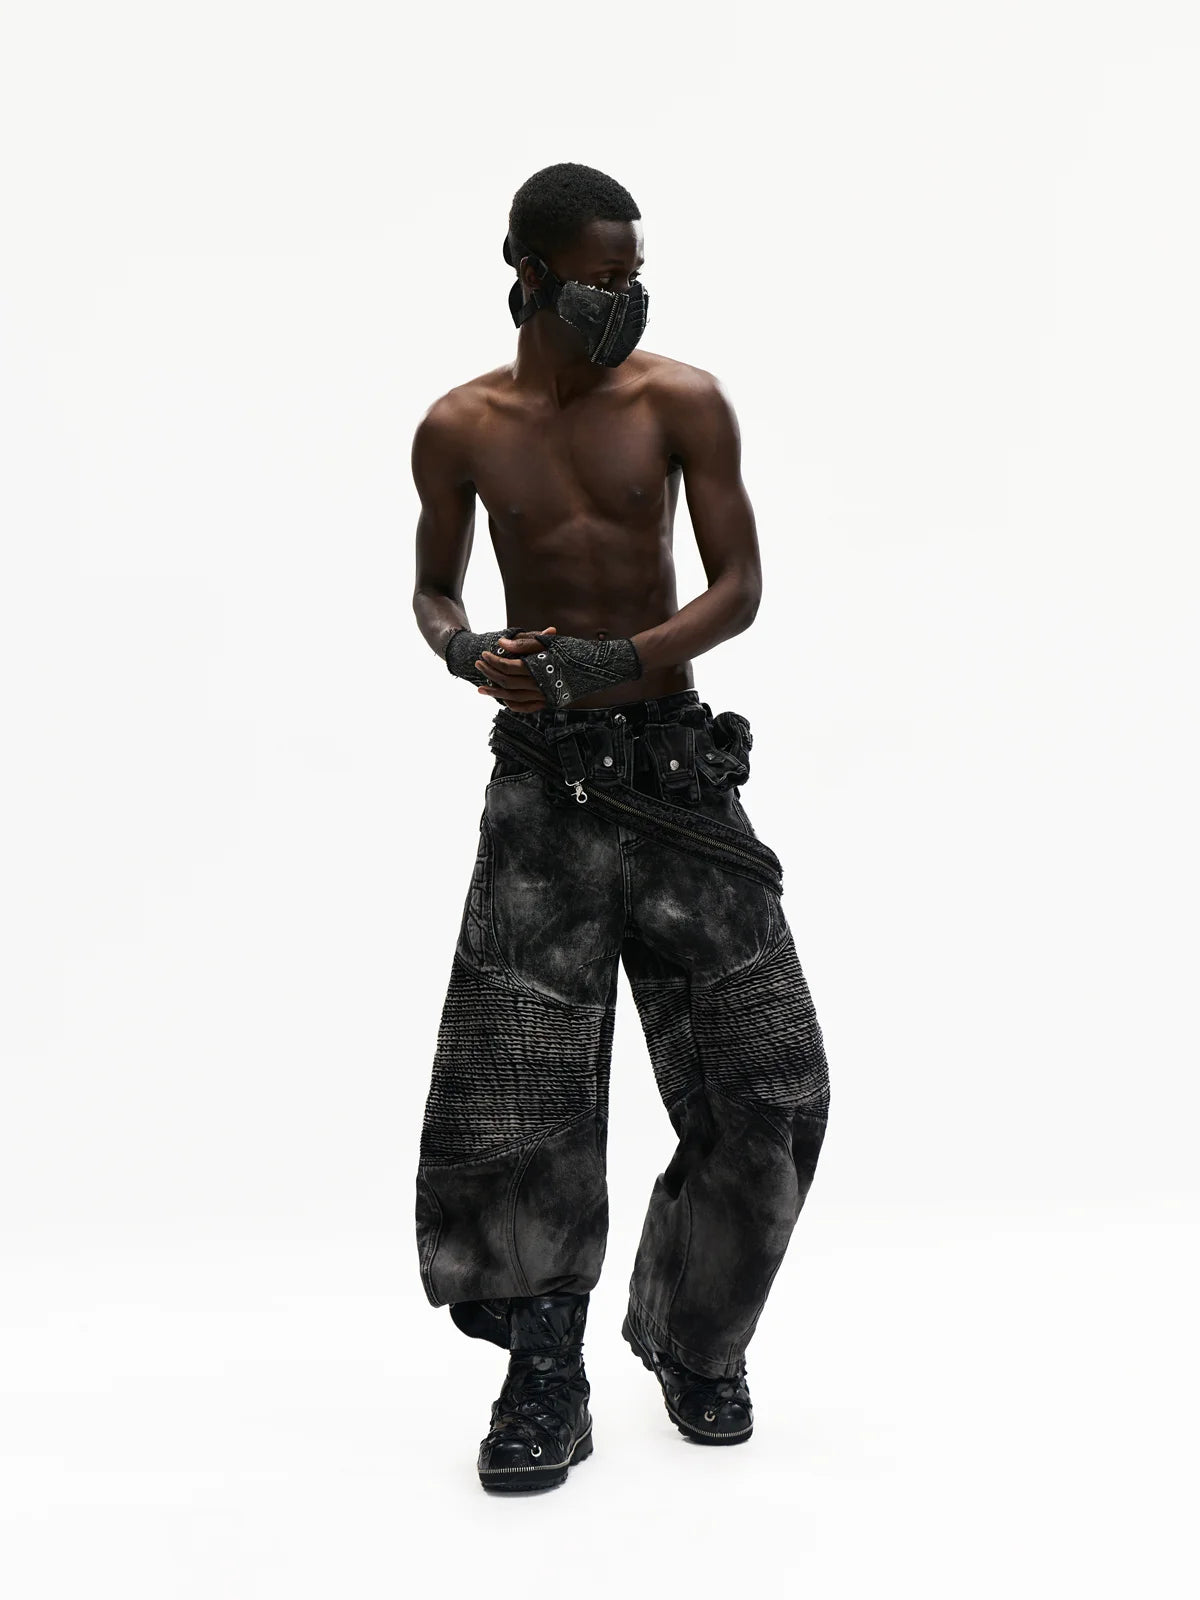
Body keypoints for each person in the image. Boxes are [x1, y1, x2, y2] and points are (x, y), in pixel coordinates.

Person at [411, 162, 831, 1494]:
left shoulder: (681, 403)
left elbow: (739, 586)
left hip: (676, 775)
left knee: (772, 1082)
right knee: (522, 1094)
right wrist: (467, 650)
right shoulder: (460, 425)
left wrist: (625, 658)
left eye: (636, 274)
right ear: (529, 271)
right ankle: (547, 1376)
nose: (625, 298)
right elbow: (430, 589)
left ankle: (697, 1339)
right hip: (544, 788)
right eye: (602, 276)